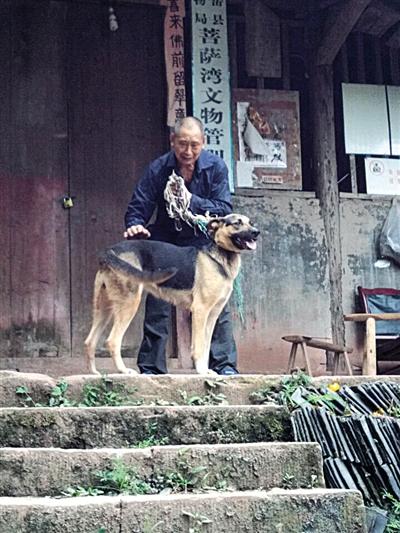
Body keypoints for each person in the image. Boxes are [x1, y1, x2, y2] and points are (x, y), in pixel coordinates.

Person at [124, 116, 238, 375]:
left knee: (215, 302)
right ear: (172, 141)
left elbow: (223, 209)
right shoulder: (158, 168)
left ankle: (224, 366)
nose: (188, 151)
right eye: (182, 144)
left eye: (194, 145)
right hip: (166, 238)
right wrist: (135, 224)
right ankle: (152, 368)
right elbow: (138, 206)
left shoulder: (216, 167)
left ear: (204, 143)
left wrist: (191, 200)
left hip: (202, 239)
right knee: (157, 301)